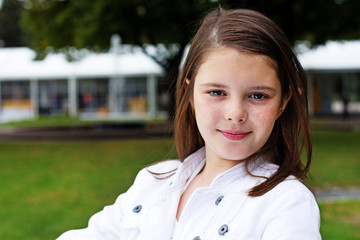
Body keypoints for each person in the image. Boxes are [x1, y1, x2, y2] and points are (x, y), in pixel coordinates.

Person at [57, 8, 321, 240]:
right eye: (217, 92)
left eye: (258, 96)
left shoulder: (286, 203)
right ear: (190, 93)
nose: (235, 113)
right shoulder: (153, 183)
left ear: (283, 101)